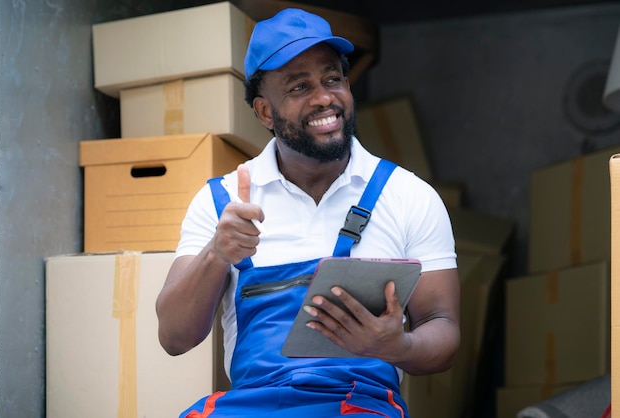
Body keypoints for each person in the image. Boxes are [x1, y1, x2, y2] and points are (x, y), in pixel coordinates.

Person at [155, 7, 460, 418]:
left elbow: (444, 329)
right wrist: (217, 253)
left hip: (360, 406)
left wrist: (397, 347)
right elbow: (174, 338)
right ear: (265, 112)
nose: (324, 98)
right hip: (250, 408)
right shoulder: (221, 202)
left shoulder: (409, 196)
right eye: (299, 87)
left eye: (332, 78)